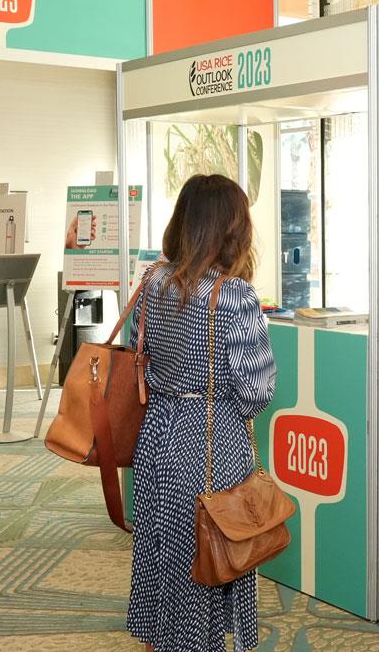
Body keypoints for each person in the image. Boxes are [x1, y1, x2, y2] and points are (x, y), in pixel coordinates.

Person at [126, 174, 277, 652]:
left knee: (163, 552)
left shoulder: (152, 281)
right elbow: (256, 392)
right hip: (211, 440)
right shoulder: (235, 297)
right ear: (233, 231)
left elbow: (138, 352)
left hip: (157, 438)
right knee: (214, 555)